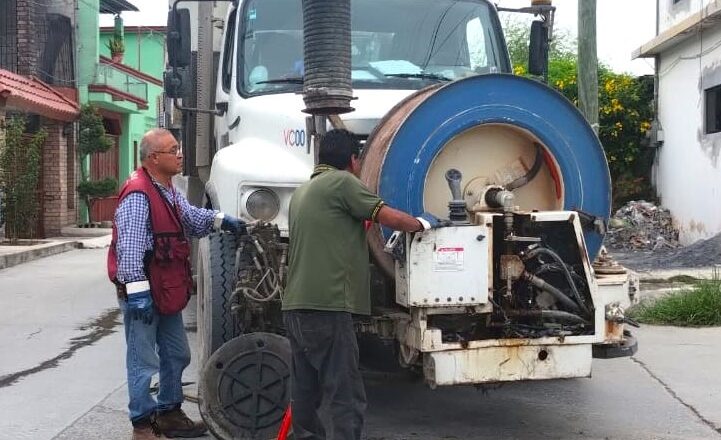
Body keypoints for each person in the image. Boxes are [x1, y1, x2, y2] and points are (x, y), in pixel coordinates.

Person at [282, 129, 444, 440]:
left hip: (296, 306)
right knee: (345, 391)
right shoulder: (342, 183)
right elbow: (386, 216)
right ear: (353, 160)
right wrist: (422, 223)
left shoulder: (305, 191)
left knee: (304, 388)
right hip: (327, 306)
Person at [107, 128, 247, 440]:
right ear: (154, 158)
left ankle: (169, 412)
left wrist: (222, 221)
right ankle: (142, 426)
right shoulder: (138, 194)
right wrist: (137, 296)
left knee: (177, 353)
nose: (180, 154)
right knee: (143, 361)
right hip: (143, 293)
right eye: (173, 150)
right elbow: (129, 252)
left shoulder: (166, 190)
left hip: (166, 291)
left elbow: (191, 218)